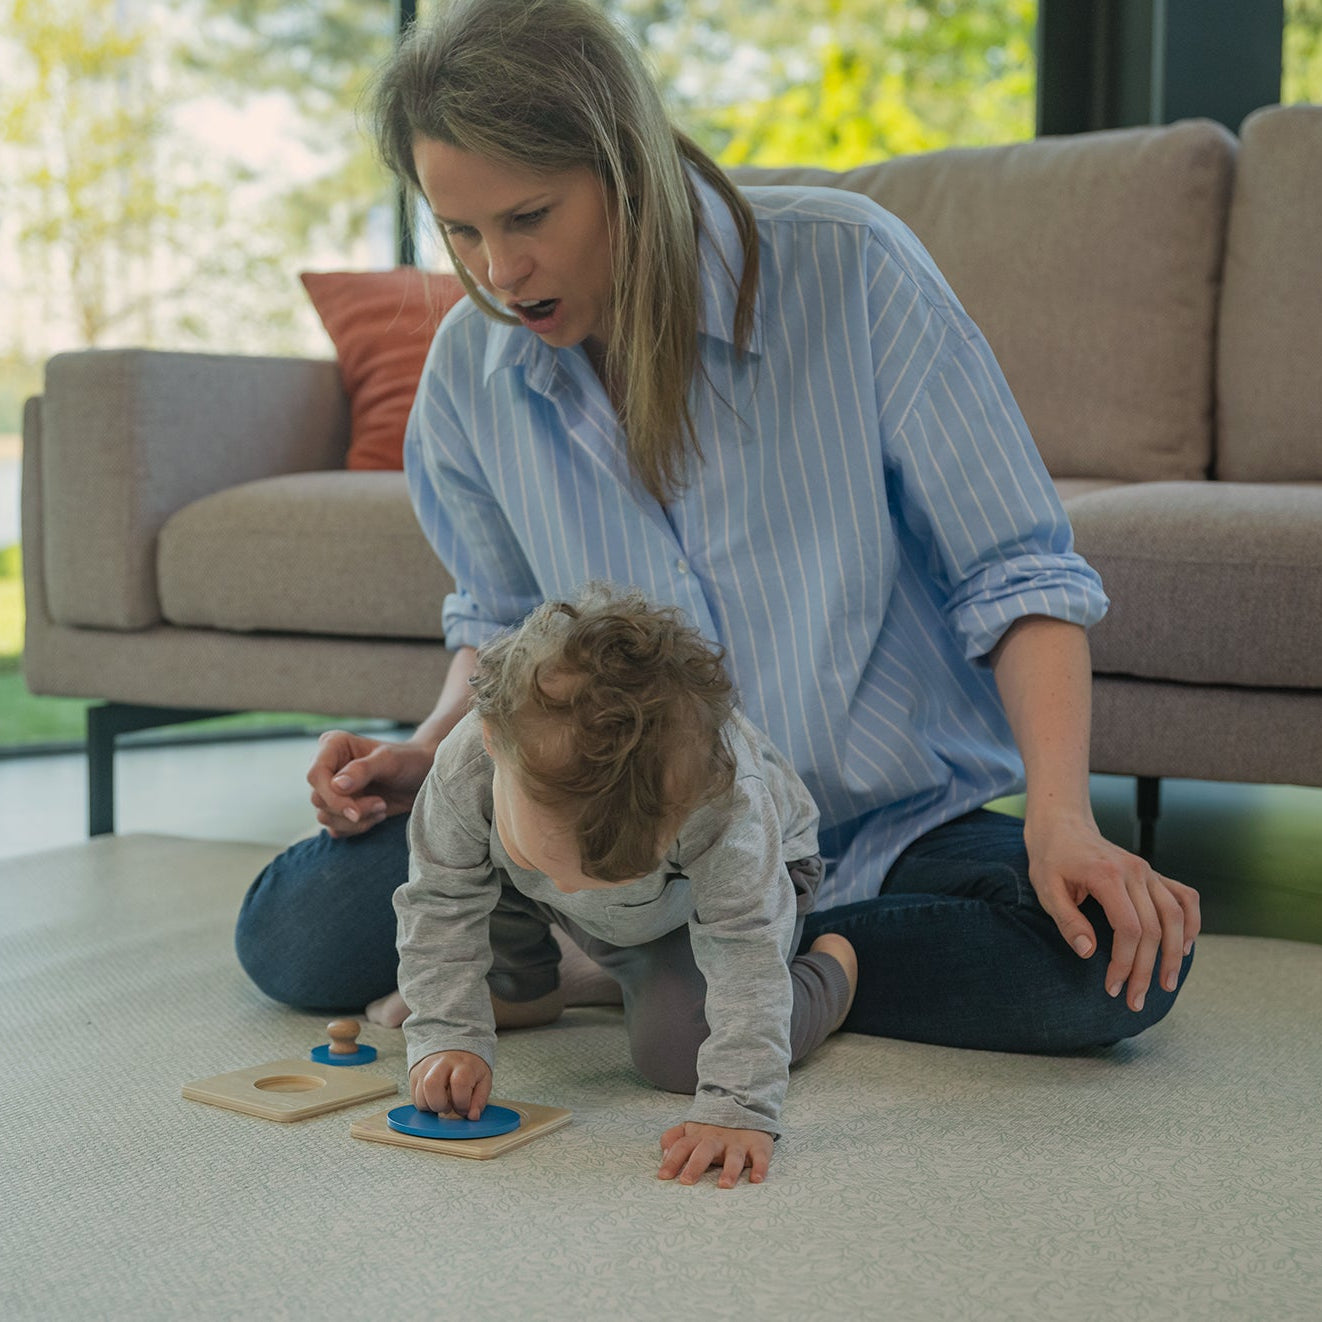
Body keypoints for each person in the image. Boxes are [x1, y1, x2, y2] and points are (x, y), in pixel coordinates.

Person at [236, 0, 1200, 1063]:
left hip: (876, 831)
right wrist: (430, 750)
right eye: (459, 230)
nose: (497, 274)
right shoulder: (471, 371)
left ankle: (714, 962)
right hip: (606, 837)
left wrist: (1058, 817)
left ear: (627, 168)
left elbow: (1016, 574)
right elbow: (503, 623)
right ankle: (685, 961)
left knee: (1102, 964)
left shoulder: (852, 272)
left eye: (528, 217)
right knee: (293, 932)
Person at [398, 585, 856, 1187]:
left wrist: (739, 1107)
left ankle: (833, 971)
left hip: (733, 900)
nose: (569, 885)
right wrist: (446, 1032)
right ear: (491, 741)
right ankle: (527, 985)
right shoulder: (467, 765)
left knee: (676, 1053)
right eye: (549, 859)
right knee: (478, 871)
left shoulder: (722, 800)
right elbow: (440, 902)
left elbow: (743, 944)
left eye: (615, 868)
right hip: (617, 907)